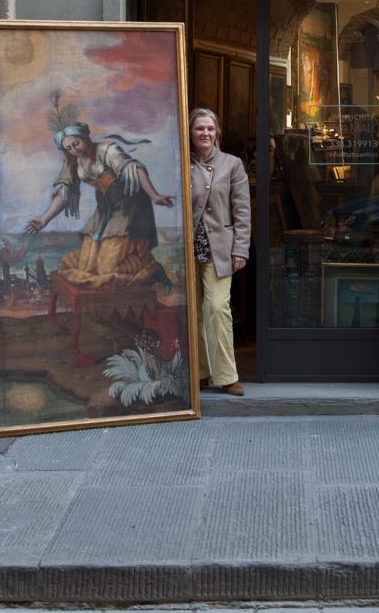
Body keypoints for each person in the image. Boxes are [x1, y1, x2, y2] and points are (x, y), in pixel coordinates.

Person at [25, 100, 174, 290]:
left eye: (76, 143)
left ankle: (155, 273)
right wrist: (44, 219)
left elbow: (135, 169)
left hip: (130, 205)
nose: (74, 149)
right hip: (106, 208)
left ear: (85, 137)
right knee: (89, 262)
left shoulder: (107, 150)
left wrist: (154, 195)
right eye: (68, 148)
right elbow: (64, 194)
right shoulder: (72, 162)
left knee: (110, 263)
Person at [189, 107, 251, 396]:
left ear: (217, 133)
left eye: (210, 129)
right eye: (199, 128)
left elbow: (242, 210)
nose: (205, 133)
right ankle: (201, 372)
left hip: (220, 250)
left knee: (216, 308)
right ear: (190, 132)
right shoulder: (181, 162)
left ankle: (227, 375)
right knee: (194, 313)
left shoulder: (232, 164)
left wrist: (241, 249)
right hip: (186, 249)